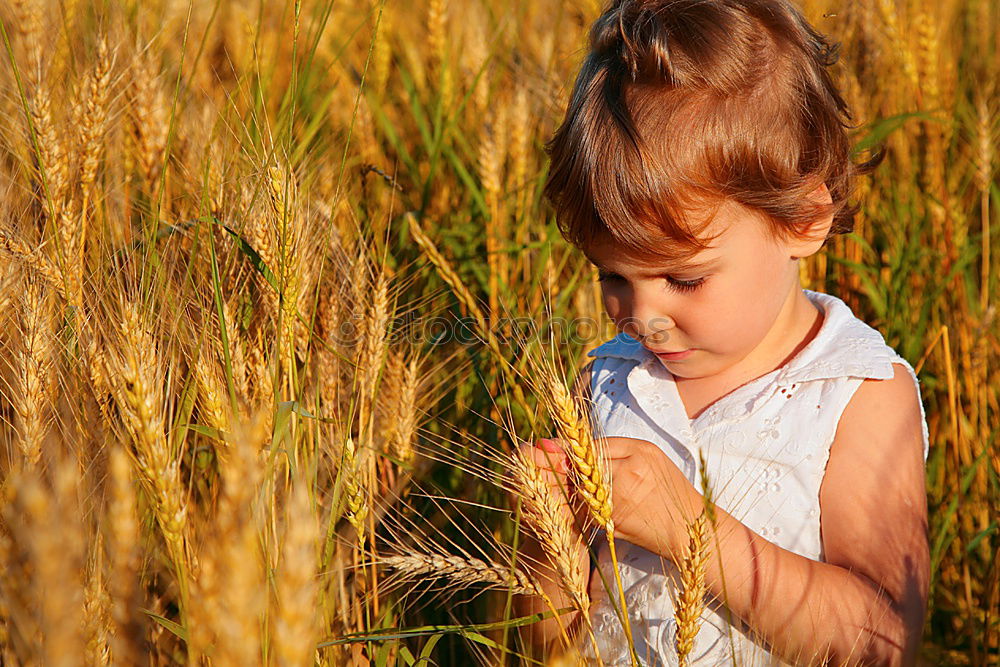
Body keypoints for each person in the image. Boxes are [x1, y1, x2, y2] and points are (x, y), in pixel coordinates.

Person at [513, 1, 931, 665]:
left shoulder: (856, 395)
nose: (642, 317)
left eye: (684, 280)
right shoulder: (605, 381)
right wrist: (544, 545)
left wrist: (693, 530)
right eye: (611, 276)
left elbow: (883, 641)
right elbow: (542, 645)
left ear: (801, 221)